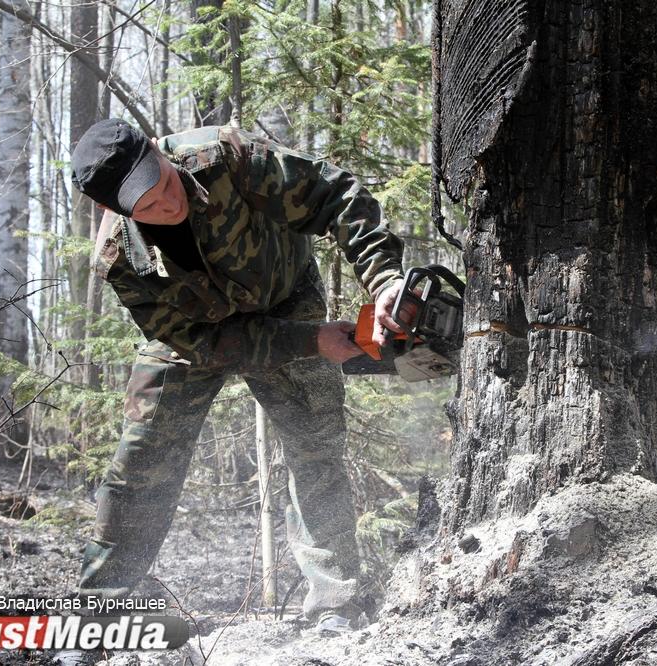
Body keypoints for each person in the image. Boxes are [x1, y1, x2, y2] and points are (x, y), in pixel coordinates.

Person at [62, 119, 407, 656]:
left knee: (315, 448)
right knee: (141, 464)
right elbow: (203, 344)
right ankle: (98, 617)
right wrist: (308, 342)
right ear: (117, 211)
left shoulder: (228, 161)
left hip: (287, 297)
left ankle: (335, 603)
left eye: (166, 184)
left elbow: (335, 194)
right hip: (197, 337)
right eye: (147, 206)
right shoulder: (120, 261)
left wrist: (384, 278)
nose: (167, 204)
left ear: (158, 149)